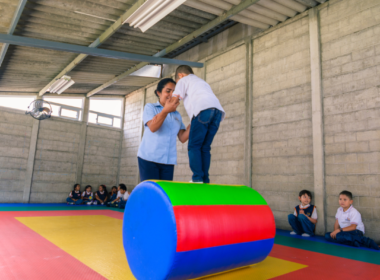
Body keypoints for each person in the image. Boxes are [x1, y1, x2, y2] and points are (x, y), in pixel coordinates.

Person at [172, 65, 225, 183]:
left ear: (180, 75)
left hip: (203, 111)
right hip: (217, 112)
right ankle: (205, 178)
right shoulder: (201, 82)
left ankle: (197, 178)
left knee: (193, 146)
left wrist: (166, 108)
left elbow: (175, 99)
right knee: (205, 147)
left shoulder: (183, 80)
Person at [137, 78, 190, 181]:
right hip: (149, 159)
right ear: (159, 93)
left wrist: (195, 121)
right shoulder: (150, 108)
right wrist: (165, 110)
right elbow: (153, 127)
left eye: (174, 92)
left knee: (164, 193)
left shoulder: (177, 115)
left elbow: (182, 137)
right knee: (152, 192)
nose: (171, 95)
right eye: (168, 91)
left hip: (168, 161)